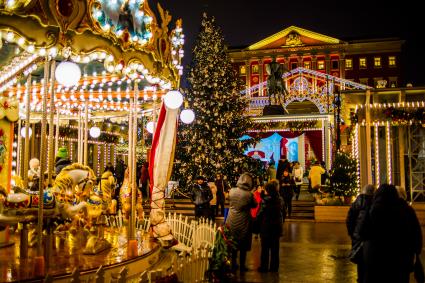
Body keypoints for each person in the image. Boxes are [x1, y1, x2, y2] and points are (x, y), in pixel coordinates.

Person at [360, 184, 423, 283]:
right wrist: (416, 250)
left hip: (376, 258)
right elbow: (416, 234)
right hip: (400, 258)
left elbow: (362, 232)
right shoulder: (406, 209)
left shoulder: (372, 209)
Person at [226, 173, 257, 272]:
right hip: (244, 221)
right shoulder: (249, 194)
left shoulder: (232, 191)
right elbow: (254, 205)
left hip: (231, 220)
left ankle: (233, 264)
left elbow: (228, 199)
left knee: (233, 242)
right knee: (243, 244)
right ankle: (242, 265)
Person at [346, 184, 375, 283]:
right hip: (369, 237)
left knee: (360, 259)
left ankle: (361, 278)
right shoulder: (374, 203)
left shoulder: (357, 202)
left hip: (358, 236)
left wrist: (352, 233)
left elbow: (350, 218)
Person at [256, 179, 286, 272]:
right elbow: (284, 213)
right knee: (275, 249)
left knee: (265, 249)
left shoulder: (265, 201)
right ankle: (274, 267)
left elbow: (260, 214)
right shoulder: (280, 199)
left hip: (266, 227)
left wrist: (257, 224)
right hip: (276, 227)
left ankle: (264, 267)